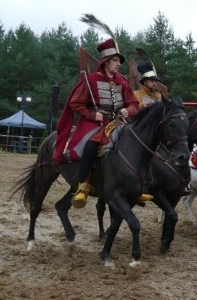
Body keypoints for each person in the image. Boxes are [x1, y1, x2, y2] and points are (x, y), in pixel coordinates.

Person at [54, 37, 143, 208]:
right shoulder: (91, 80)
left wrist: (129, 110)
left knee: (136, 143)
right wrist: (92, 114)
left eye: (119, 61)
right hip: (94, 123)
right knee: (90, 146)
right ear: (106, 62)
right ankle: (82, 186)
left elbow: (133, 104)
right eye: (115, 60)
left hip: (118, 122)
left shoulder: (122, 81)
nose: (118, 64)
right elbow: (75, 103)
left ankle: (135, 186)